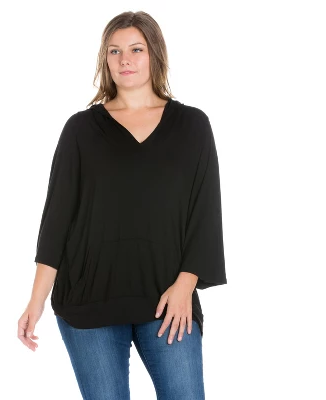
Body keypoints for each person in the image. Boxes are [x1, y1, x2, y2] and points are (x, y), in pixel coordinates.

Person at [18, 10, 227, 400]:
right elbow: (57, 220)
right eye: (114, 51)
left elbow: (205, 213)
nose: (124, 60)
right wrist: (36, 300)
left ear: (154, 54)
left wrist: (186, 285)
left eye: (136, 49)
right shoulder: (80, 130)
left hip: (167, 299)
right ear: (105, 59)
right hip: (88, 299)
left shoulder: (192, 125)